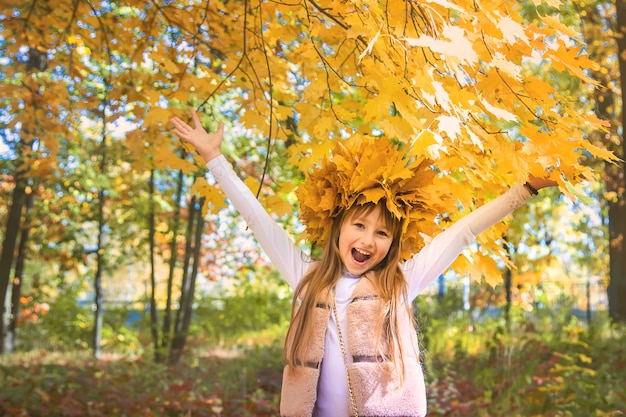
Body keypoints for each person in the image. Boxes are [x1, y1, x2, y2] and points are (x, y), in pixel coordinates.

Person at [169, 109, 557, 417]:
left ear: (393, 242)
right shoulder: (306, 277)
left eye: (383, 233)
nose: (368, 240)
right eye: (360, 225)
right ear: (338, 227)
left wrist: (525, 189)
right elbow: (258, 219)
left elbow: (463, 232)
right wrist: (215, 158)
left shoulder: (401, 282)